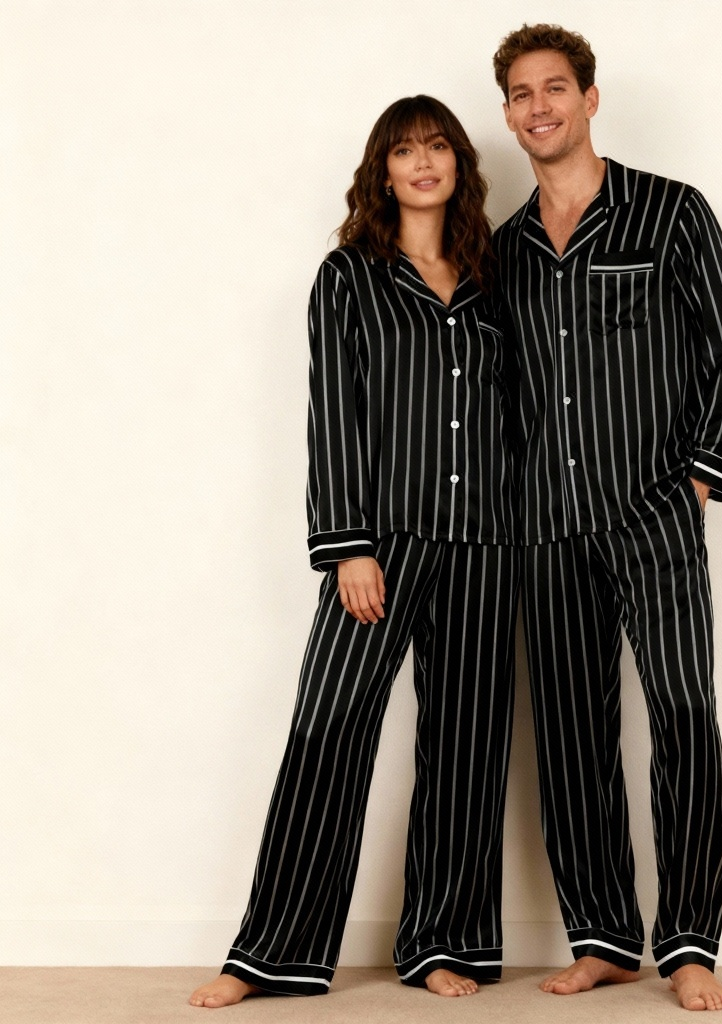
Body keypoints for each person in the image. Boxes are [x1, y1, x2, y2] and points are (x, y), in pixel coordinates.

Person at [189, 95, 519, 1008]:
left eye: (438, 147)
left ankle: (443, 942)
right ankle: (271, 954)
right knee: (329, 728)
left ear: (459, 164)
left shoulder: (494, 277)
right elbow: (333, 414)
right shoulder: (349, 277)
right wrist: (347, 547)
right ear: (383, 170)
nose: (424, 162)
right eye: (405, 151)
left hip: (487, 543)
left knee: (467, 747)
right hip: (381, 542)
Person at [491, 24, 722, 1012]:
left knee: (683, 715)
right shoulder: (504, 251)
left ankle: (688, 944)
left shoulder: (670, 211)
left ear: (590, 98)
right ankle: (604, 938)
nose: (539, 107)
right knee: (571, 738)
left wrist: (697, 480)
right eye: (521, 94)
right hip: (546, 528)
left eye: (555, 87)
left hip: (656, 519)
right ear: (508, 113)